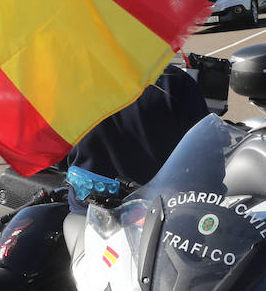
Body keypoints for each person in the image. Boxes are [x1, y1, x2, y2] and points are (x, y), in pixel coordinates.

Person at [65, 65, 209, 211]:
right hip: (165, 213)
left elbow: (56, 159)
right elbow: (205, 156)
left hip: (89, 214)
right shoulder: (172, 80)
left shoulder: (69, 88)